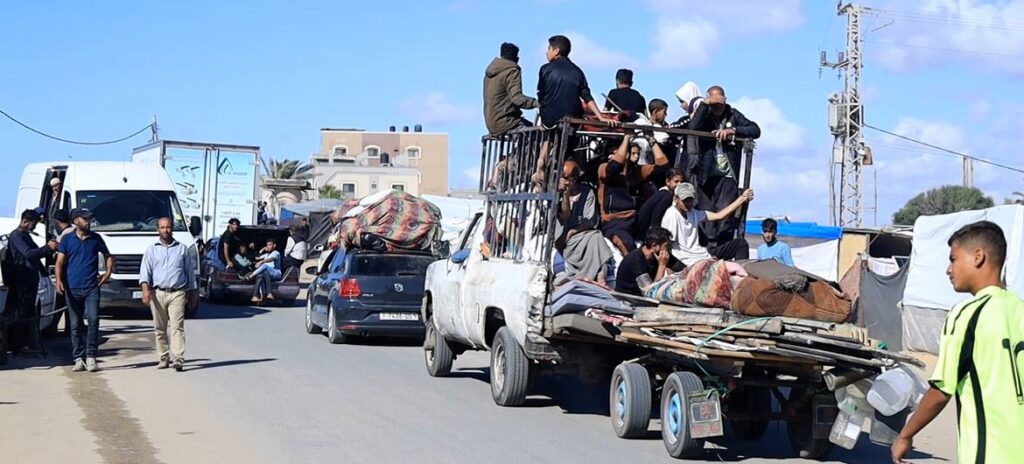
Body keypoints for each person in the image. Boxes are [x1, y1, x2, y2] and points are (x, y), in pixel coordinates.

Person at [892, 221, 1024, 464]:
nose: (948, 270)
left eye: (953, 259)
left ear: (978, 257)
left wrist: (905, 435)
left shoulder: (968, 313)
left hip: (990, 456)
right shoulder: (1019, 309)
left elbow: (942, 389)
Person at [686, 85, 760, 244]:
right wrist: (705, 104)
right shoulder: (705, 115)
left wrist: (733, 130)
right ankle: (706, 248)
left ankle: (723, 248)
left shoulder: (732, 113)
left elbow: (755, 130)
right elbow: (692, 127)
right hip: (706, 174)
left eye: (719, 102)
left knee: (725, 214)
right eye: (714, 103)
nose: (717, 107)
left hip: (727, 174)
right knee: (705, 215)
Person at [56, 208, 113, 373]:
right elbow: (59, 262)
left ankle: (91, 356)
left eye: (89, 219)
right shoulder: (67, 240)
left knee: (94, 319)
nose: (88, 221)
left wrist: (107, 273)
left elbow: (108, 255)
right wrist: (58, 281)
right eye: (85, 219)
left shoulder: (96, 239)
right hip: (72, 287)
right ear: (75, 221)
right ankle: (78, 358)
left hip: (91, 287)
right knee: (75, 324)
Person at [139, 218, 197, 372]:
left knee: (177, 327)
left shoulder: (182, 249)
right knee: (159, 328)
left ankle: (178, 358)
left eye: (168, 227)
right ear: (158, 229)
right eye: (163, 227)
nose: (166, 230)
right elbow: (145, 272)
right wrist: (145, 291)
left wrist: (192, 293)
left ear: (172, 229)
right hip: (158, 293)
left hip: (177, 293)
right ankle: (164, 357)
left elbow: (189, 273)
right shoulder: (151, 249)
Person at [598, 134, 670, 255]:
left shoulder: (636, 171)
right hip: (615, 223)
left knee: (665, 194)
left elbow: (663, 167)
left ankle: (653, 230)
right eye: (632, 153)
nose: (636, 157)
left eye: (638, 153)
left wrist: (651, 140)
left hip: (636, 219)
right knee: (628, 245)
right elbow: (614, 167)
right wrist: (626, 139)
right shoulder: (603, 168)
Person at [2, 209, 58, 356]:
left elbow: (36, 252)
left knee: (27, 313)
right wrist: (47, 248)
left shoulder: (25, 235)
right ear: (25, 222)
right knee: (21, 314)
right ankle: (17, 346)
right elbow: (28, 253)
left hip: (29, 281)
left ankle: (24, 344)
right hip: (21, 282)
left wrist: (49, 249)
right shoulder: (17, 236)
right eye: (33, 224)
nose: (34, 227)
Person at [661, 183, 753, 266]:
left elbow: (719, 215)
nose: (688, 203)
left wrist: (742, 198)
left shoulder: (693, 213)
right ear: (676, 199)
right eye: (685, 200)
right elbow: (666, 243)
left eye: (690, 200)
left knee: (740, 243)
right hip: (686, 259)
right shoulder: (671, 214)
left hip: (701, 253)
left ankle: (742, 275)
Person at [555, 161, 613, 284]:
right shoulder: (556, 194)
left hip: (581, 233)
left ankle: (601, 276)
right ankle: (586, 275)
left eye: (567, 178)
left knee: (596, 236)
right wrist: (565, 194)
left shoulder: (587, 192)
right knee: (593, 238)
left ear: (574, 178)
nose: (564, 180)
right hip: (563, 238)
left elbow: (590, 220)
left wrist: (572, 231)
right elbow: (565, 215)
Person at [484, 42, 538, 136]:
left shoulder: (489, 74)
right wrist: (537, 103)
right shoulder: (511, 71)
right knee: (540, 135)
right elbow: (517, 98)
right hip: (507, 122)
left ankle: (520, 150)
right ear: (517, 59)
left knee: (530, 133)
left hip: (491, 123)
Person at [615, 227, 676, 296]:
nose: (669, 249)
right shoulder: (636, 261)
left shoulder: (660, 255)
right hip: (629, 300)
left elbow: (682, 269)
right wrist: (662, 265)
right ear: (654, 246)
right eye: (666, 246)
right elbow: (650, 292)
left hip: (644, 298)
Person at [635, 168, 685, 238]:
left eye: (681, 182)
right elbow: (656, 219)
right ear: (668, 181)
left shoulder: (666, 194)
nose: (679, 184)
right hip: (646, 234)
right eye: (676, 181)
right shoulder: (666, 196)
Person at [246, 239, 281, 304]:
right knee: (261, 275)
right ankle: (263, 296)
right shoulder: (266, 255)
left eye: (270, 245)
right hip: (267, 273)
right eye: (267, 245)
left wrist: (262, 261)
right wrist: (261, 251)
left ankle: (251, 276)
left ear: (274, 245)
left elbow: (271, 259)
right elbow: (256, 258)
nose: (268, 246)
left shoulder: (276, 253)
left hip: (276, 273)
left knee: (265, 266)